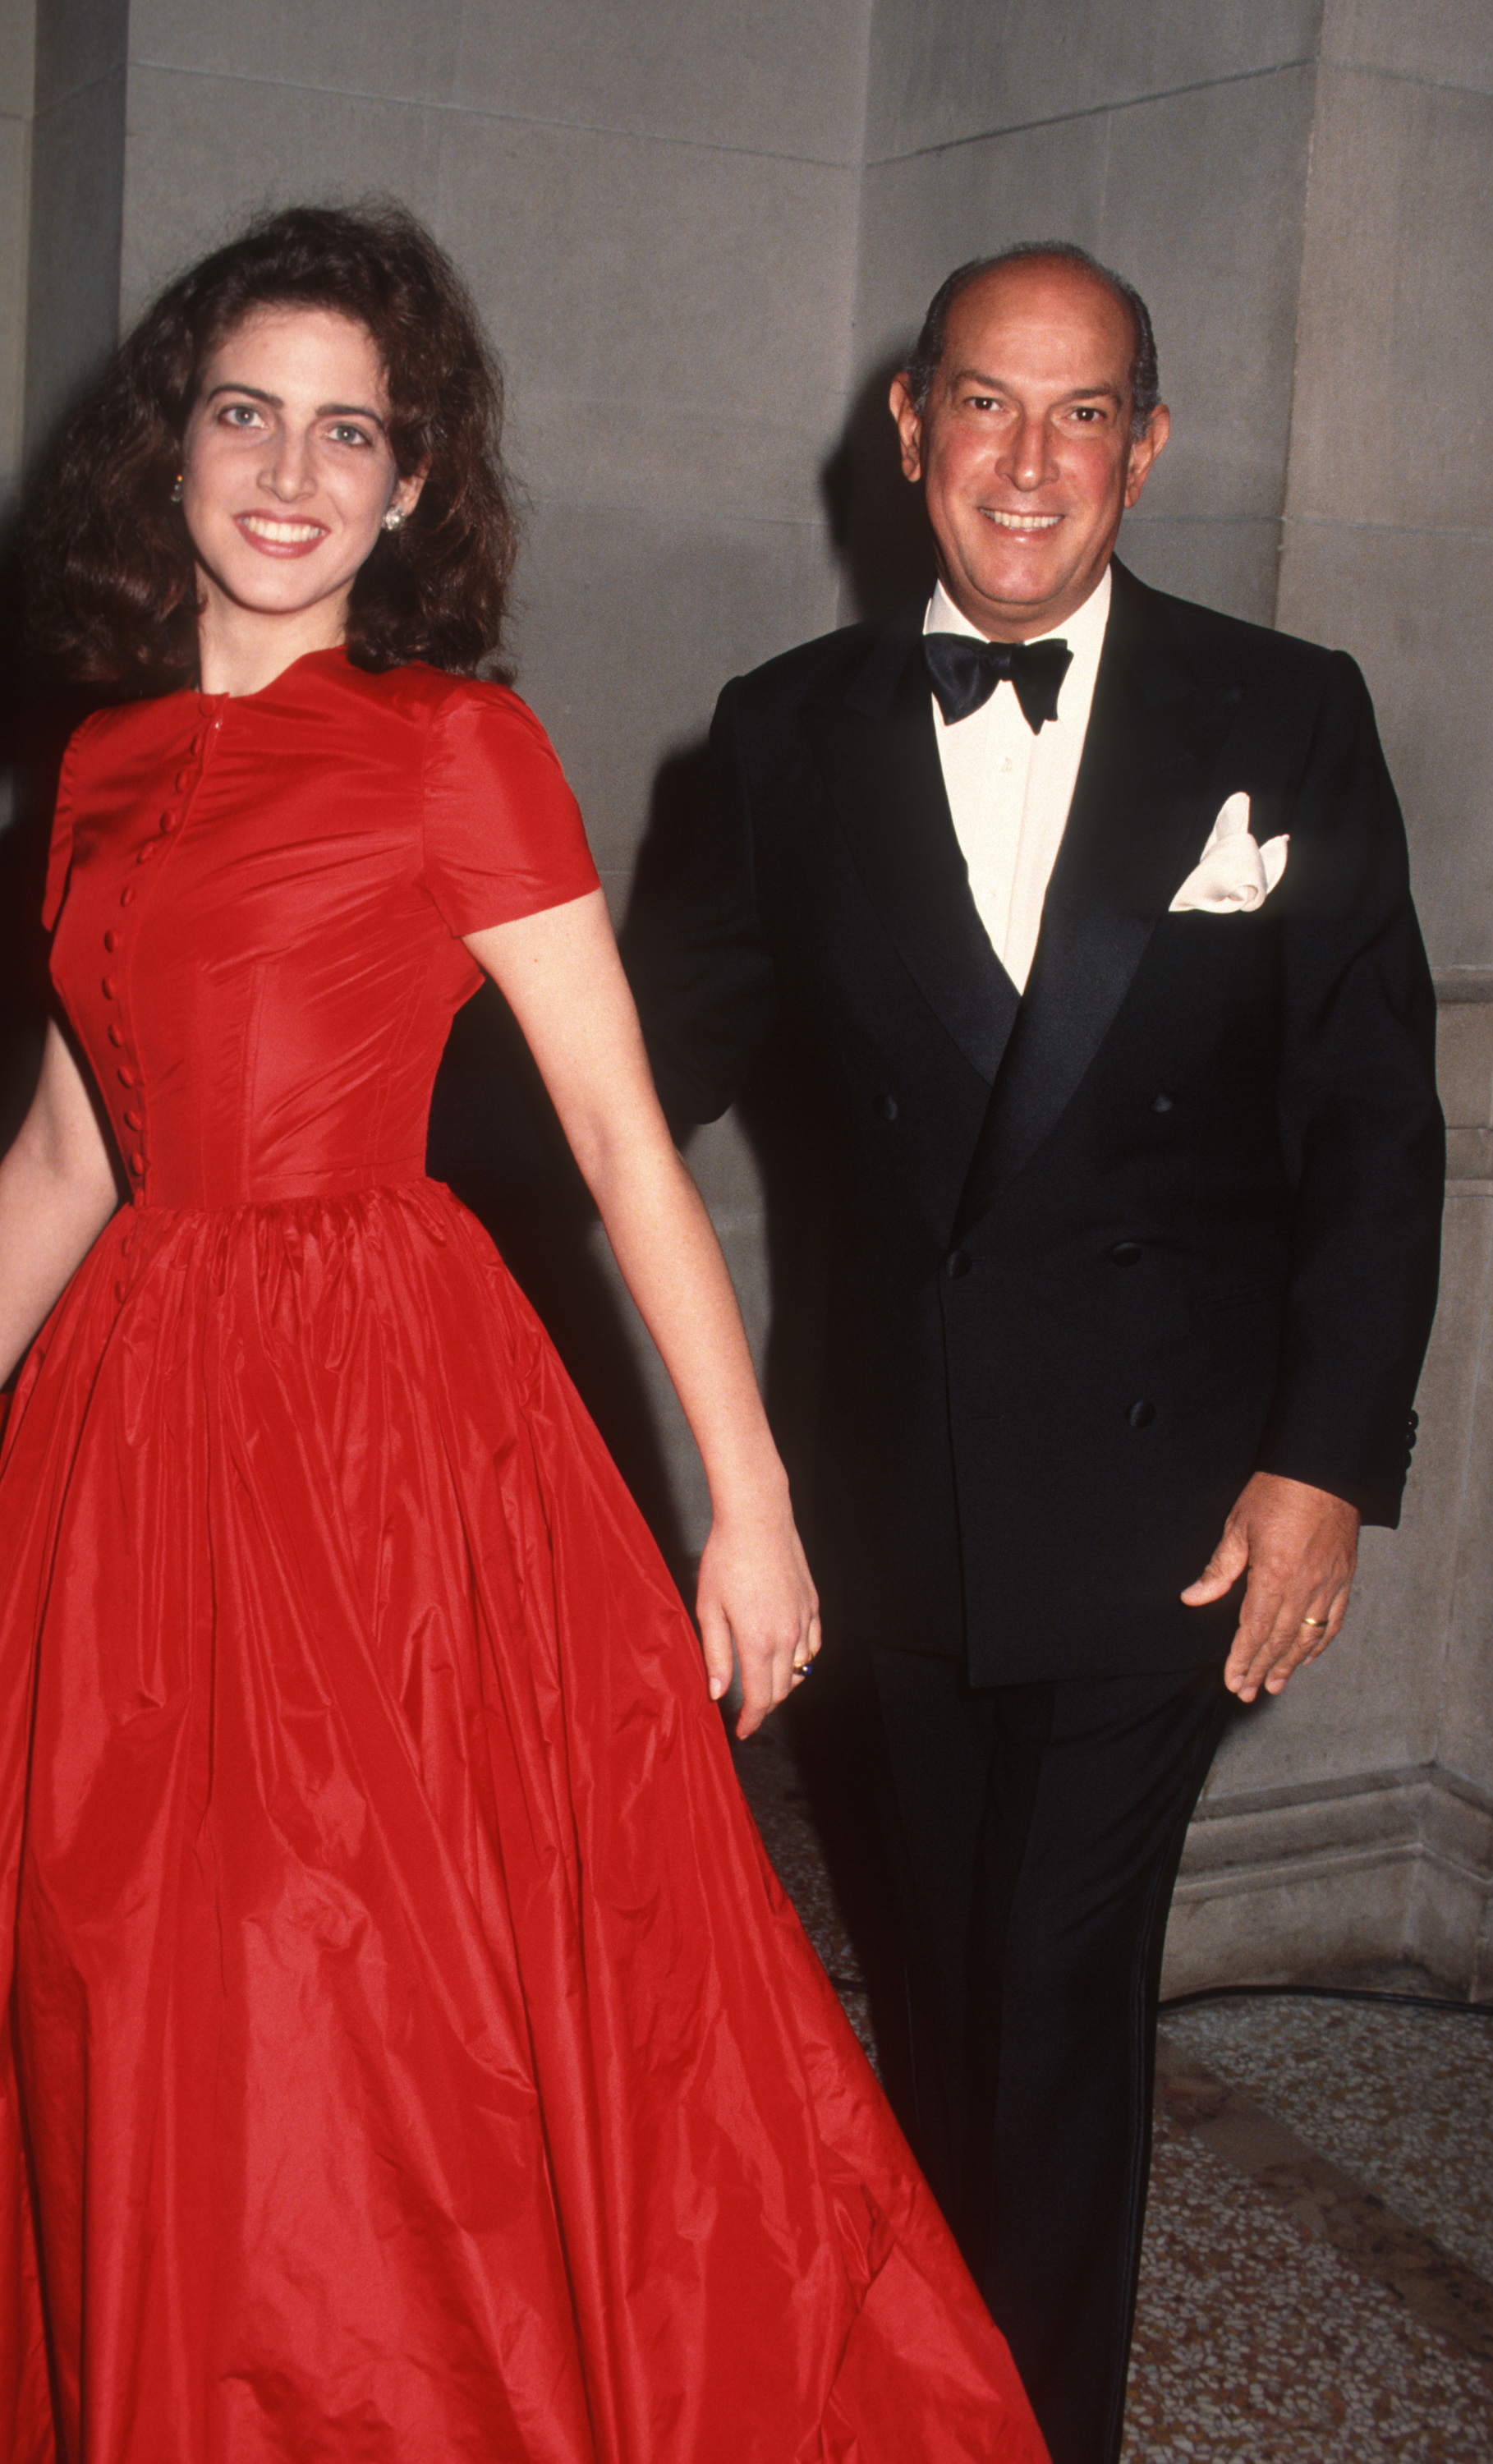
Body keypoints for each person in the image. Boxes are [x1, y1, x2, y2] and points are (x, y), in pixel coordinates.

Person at [0, 204, 1050, 2463]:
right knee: (120, 1960)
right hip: (127, 1428)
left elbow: (617, 1135)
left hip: (372, 1423)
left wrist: (749, 1510)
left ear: (411, 486)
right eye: (246, 414)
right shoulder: (93, 765)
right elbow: (68, 1162)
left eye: (348, 432)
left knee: (351, 1973)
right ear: (169, 448)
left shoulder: (450, 747)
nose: (291, 471)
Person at [623, 241, 1445, 2464]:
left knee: (1054, 2003)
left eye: (1081, 414)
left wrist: (1323, 1464)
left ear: (1143, 448)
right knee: (935, 2003)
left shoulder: (1284, 713)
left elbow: (1372, 1122)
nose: (1027, 461)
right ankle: (928, 2397)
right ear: (908, 427)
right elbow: (632, 1082)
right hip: (884, 1509)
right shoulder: (781, 732)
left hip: (1167, 1505)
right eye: (984, 402)